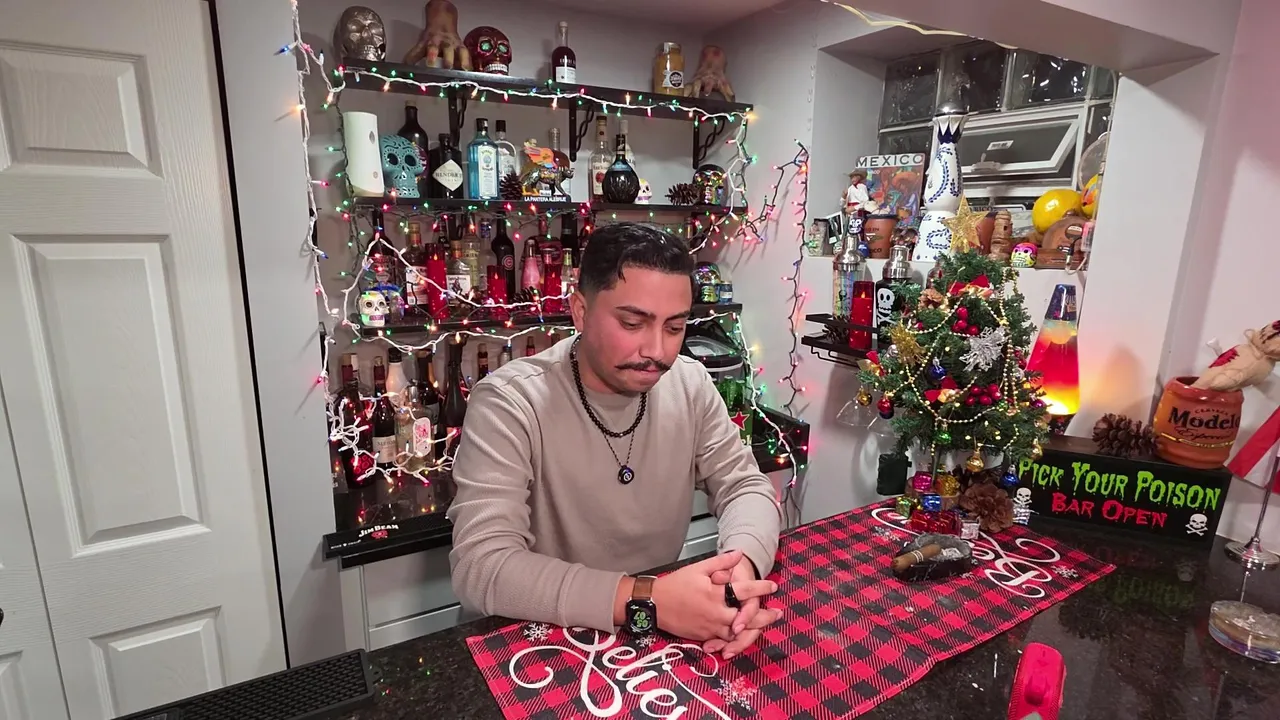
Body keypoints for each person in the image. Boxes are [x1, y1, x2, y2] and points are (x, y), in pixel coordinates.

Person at [448, 223, 783, 659]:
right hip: (538, 641)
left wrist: (740, 572)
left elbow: (746, 487)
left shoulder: (690, 384)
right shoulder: (511, 401)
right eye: (632, 323)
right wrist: (647, 599)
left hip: (660, 629)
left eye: (675, 327)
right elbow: (481, 567)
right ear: (580, 311)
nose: (657, 351)